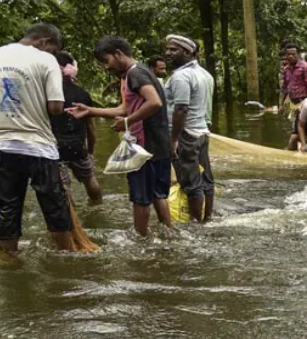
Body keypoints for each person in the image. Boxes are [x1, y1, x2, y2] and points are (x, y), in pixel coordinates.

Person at [0, 23, 75, 254]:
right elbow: (56, 107)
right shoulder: (46, 60)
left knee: (6, 209)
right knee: (54, 208)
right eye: (54, 49)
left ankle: (9, 262)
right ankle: (68, 260)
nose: (53, 54)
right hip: (39, 147)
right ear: (45, 42)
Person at [67, 36, 172, 236]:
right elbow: (125, 108)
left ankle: (141, 243)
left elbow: (154, 102)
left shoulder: (135, 74)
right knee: (158, 195)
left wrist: (127, 122)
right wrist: (90, 111)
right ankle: (169, 236)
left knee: (140, 197)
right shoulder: (141, 72)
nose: (107, 67)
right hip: (160, 145)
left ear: (118, 54)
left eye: (106, 61)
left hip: (143, 147)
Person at [163, 35, 215, 223]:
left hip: (185, 135)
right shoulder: (205, 74)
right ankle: (207, 219)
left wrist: (174, 139)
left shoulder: (181, 76)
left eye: (173, 49)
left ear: (187, 52)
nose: (168, 53)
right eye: (167, 49)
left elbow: (181, 108)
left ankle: (195, 225)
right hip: (201, 132)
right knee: (206, 180)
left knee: (190, 182)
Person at [51, 51, 102, 203]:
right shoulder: (82, 94)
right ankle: (98, 205)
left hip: (55, 147)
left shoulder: (48, 93)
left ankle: (72, 221)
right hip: (78, 146)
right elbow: (91, 128)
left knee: (64, 186)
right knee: (89, 177)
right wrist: (91, 151)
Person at [282, 44, 307, 147]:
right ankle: (303, 147)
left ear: (297, 54)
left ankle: (300, 148)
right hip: (294, 104)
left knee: (295, 135)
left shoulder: (305, 67)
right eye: (288, 54)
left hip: (306, 103)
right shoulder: (287, 70)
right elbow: (284, 88)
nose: (291, 56)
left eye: (293, 54)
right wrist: (281, 104)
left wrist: (305, 103)